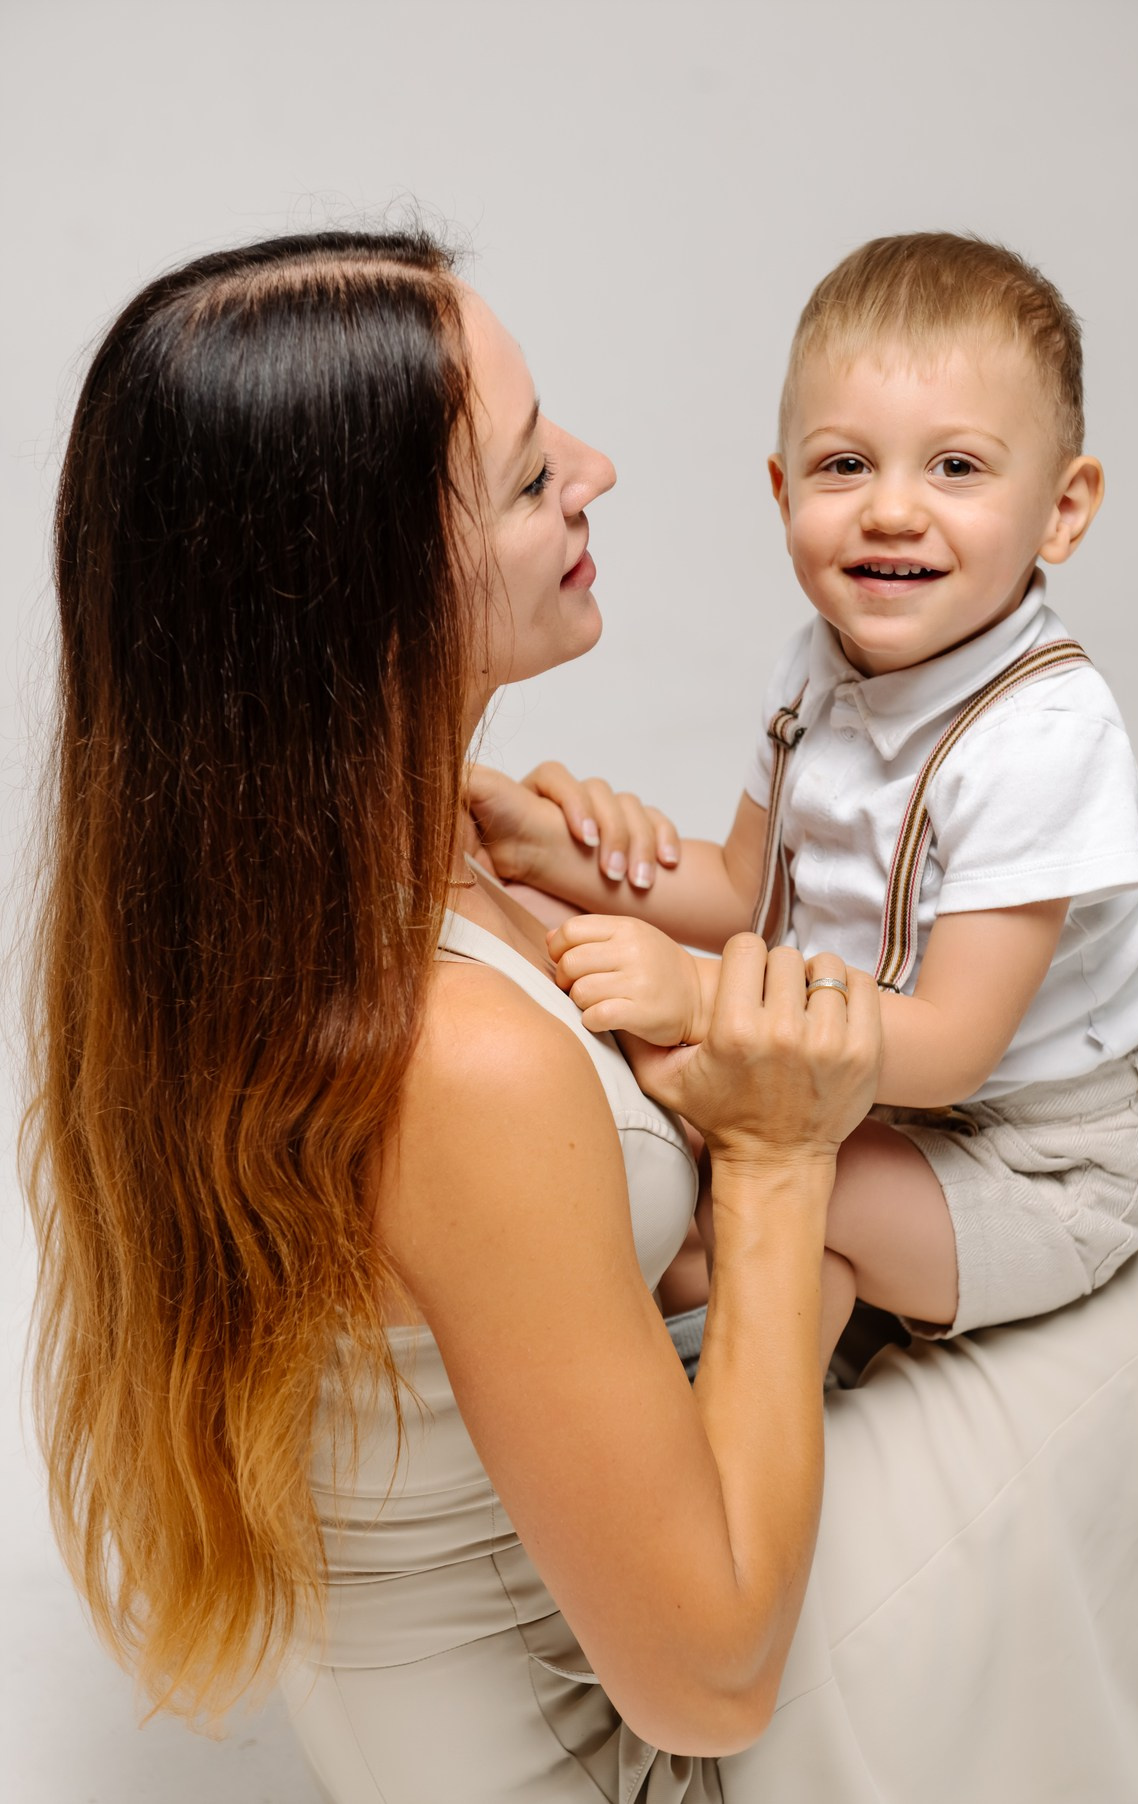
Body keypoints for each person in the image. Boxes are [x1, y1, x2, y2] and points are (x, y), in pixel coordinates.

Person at [23, 229, 884, 1800]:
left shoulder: (328, 903)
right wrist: (773, 1169)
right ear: (371, 598)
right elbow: (710, 1681)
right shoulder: (451, 1062)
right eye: (529, 475)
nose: (599, 472)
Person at [470, 233, 1138, 1352]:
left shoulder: (1042, 738)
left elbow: (950, 1043)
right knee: (682, 1127)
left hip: (1033, 1158)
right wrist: (555, 858)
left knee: (749, 1170)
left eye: (955, 467)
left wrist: (699, 999)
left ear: (1062, 508)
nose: (891, 510)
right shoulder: (821, 660)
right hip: (883, 1090)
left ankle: (729, 1418)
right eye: (845, 465)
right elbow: (744, 887)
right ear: (782, 486)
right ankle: (741, 1331)